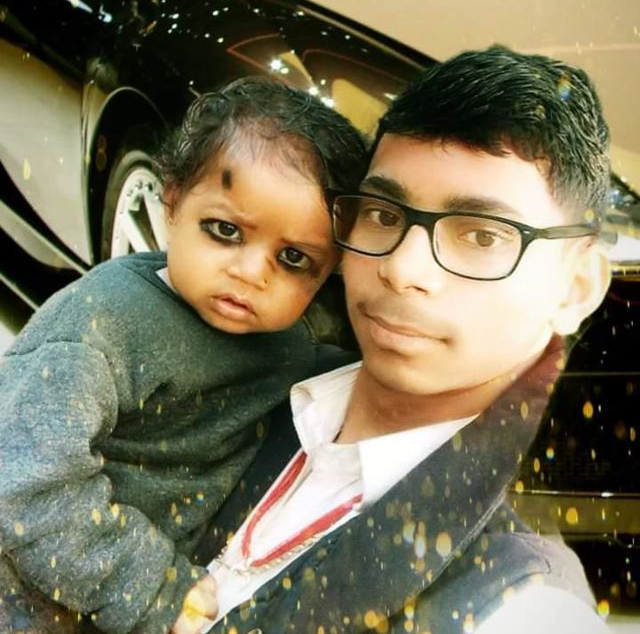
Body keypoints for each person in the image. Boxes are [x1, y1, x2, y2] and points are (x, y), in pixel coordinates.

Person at [198, 46, 613, 634]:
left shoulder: (517, 604)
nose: (401, 268)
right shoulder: (241, 373)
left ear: (576, 286)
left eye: (482, 235)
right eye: (384, 214)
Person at [0, 77, 367, 634]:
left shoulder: (291, 349)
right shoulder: (100, 326)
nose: (252, 272)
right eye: (225, 230)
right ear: (171, 201)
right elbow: (24, 482)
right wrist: (155, 591)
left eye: (294, 259)